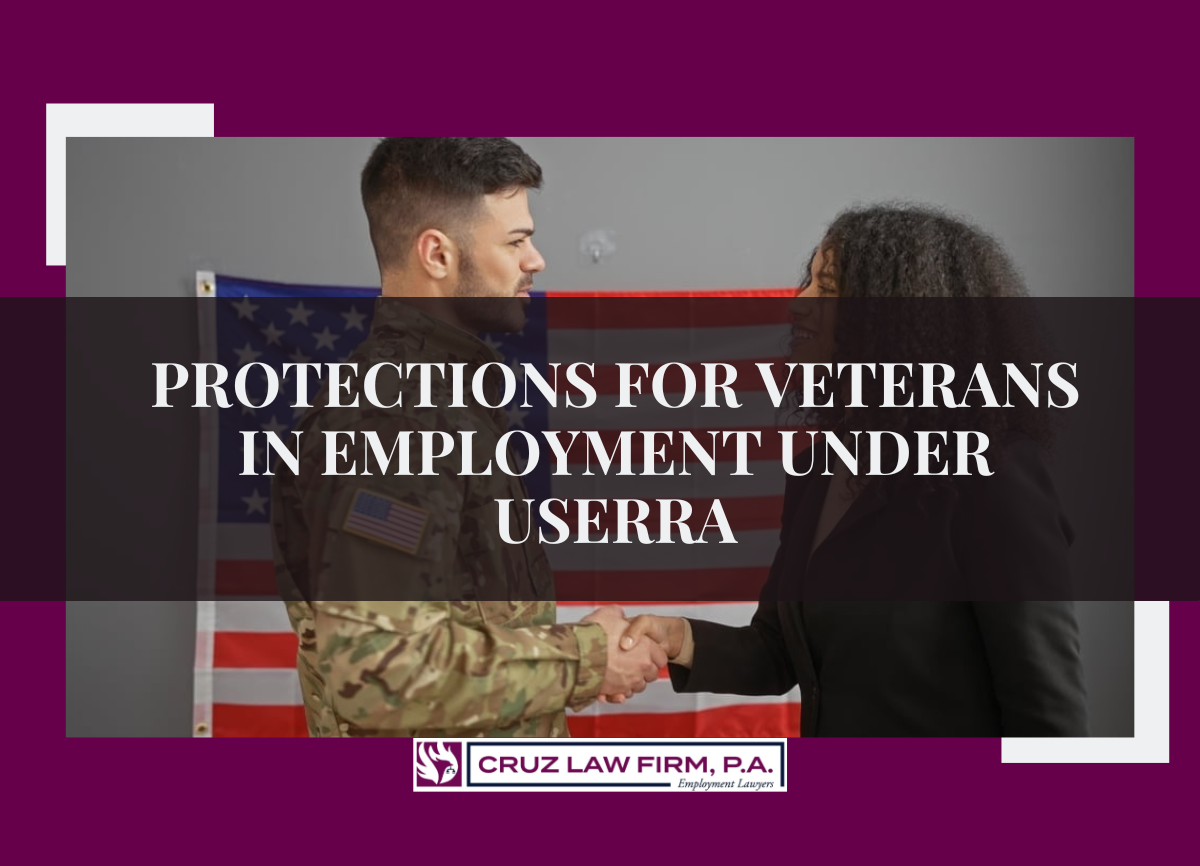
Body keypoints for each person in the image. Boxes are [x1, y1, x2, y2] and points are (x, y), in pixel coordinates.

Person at [617, 203, 1091, 737]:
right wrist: (678, 637)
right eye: (809, 282)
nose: (799, 303)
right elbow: (778, 652)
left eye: (828, 288)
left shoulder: (994, 475)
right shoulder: (820, 470)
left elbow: (1049, 715)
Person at [273, 137, 665, 738]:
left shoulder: (442, 398)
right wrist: (587, 658)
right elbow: (383, 671)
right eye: (515, 241)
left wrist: (574, 663)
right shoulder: (395, 417)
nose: (536, 260)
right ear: (438, 254)